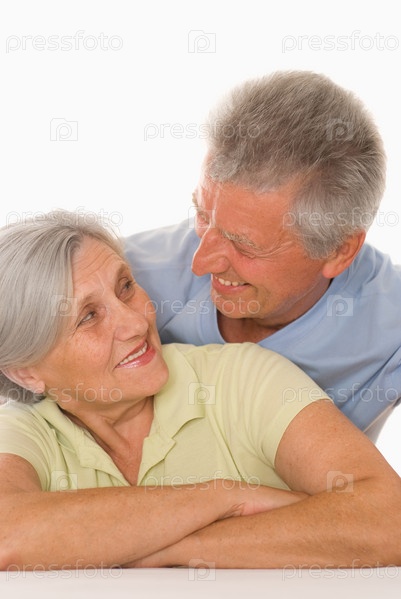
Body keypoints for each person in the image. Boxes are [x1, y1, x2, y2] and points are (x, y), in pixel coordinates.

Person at [0, 210, 400, 571]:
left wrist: (167, 547)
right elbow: (6, 535)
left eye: (125, 287)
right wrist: (225, 497)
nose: (136, 322)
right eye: (89, 316)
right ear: (26, 373)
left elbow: (388, 517)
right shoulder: (23, 429)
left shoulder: (244, 378)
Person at [125, 70, 401, 438]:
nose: (201, 262)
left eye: (244, 244)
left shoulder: (390, 323)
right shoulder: (124, 278)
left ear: (338, 250)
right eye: (203, 217)